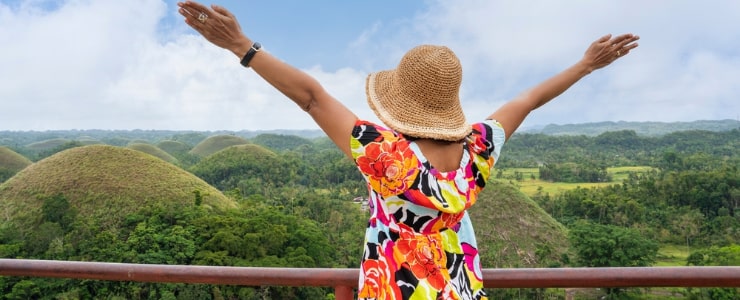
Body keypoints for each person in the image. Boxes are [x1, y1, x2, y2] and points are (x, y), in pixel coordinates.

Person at [177, 1, 639, 299]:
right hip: (460, 291)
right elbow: (528, 101)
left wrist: (242, 45)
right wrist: (585, 65)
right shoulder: (479, 149)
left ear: (400, 103)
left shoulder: (386, 156)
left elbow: (313, 98)